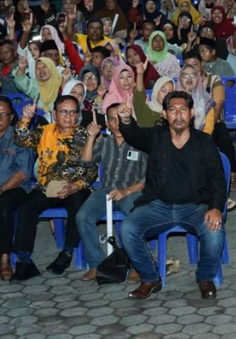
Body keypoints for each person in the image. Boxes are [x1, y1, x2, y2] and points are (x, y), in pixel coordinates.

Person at [117, 91, 226, 299]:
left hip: (195, 207)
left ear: (191, 113)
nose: (178, 115)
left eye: (183, 109)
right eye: (172, 110)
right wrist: (125, 118)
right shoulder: (156, 138)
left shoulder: (204, 142)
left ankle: (205, 277)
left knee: (214, 232)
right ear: (164, 115)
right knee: (129, 228)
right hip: (159, 206)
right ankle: (150, 278)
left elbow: (217, 179)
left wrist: (215, 207)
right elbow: (133, 135)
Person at [12, 96, 98, 280]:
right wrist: (25, 119)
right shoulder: (44, 132)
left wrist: (74, 186)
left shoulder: (84, 135)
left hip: (75, 187)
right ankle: (24, 259)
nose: (69, 117)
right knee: (26, 207)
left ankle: (67, 252)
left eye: (73, 112)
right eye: (64, 112)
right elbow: (21, 140)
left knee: (79, 203)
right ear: (54, 114)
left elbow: (91, 172)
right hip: (47, 187)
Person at [76, 103, 147, 279]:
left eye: (120, 119)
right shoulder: (105, 143)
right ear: (107, 123)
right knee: (82, 216)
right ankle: (97, 263)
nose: (116, 124)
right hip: (106, 191)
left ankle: (138, 264)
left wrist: (126, 191)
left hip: (132, 190)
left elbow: (149, 179)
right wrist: (91, 137)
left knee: (135, 217)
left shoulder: (140, 142)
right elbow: (85, 163)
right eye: (112, 119)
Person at [0, 96, 35, 281]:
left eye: (3, 114)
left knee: (4, 205)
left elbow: (23, 173)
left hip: (15, 188)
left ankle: (4, 259)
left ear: (11, 117)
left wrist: (2, 188)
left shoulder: (19, 137)